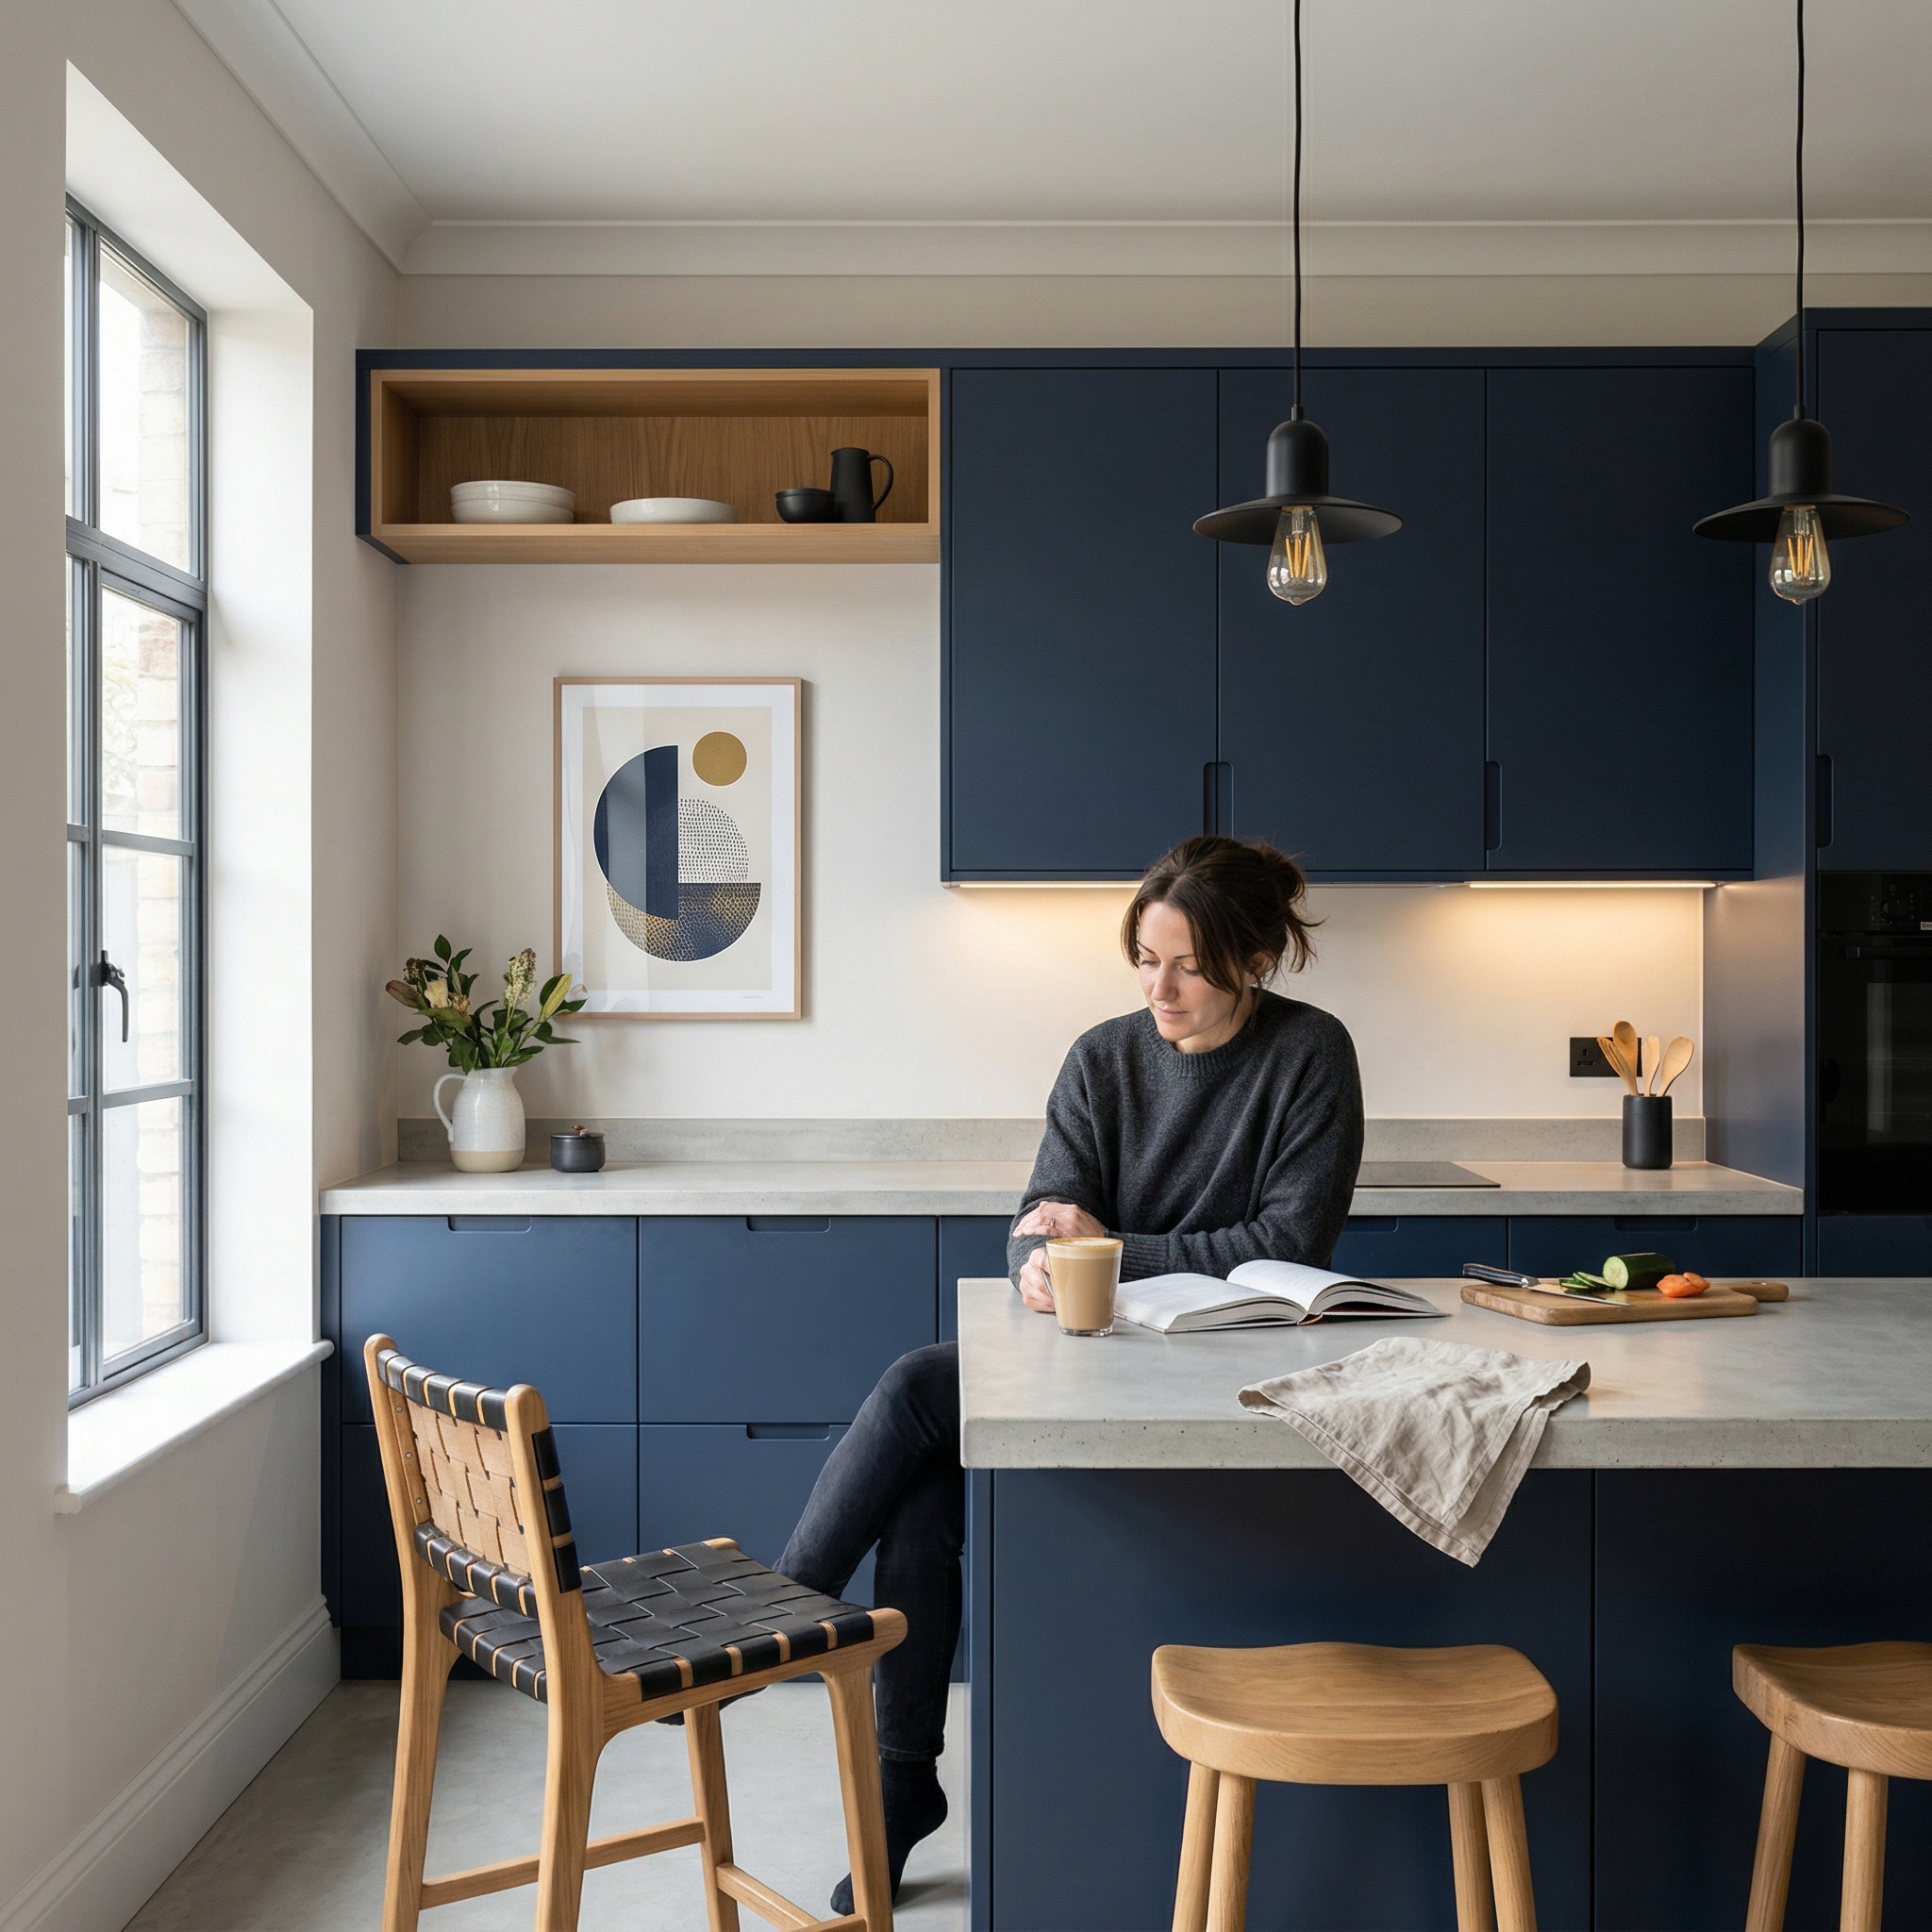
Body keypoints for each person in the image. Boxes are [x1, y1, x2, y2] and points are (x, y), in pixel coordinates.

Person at [777, 835, 1365, 1911]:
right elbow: (1036, 1219)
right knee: (921, 1471)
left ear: (1251, 958)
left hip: (1230, 1356)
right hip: (1095, 1352)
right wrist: (1045, 1260)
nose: (1160, 987)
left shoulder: (1309, 1053)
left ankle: (789, 1628)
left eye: (1186, 963)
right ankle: (896, 1771)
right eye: (1144, 958)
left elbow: (1292, 1238)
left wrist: (1106, 1243)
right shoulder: (1102, 1055)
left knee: (916, 1390)